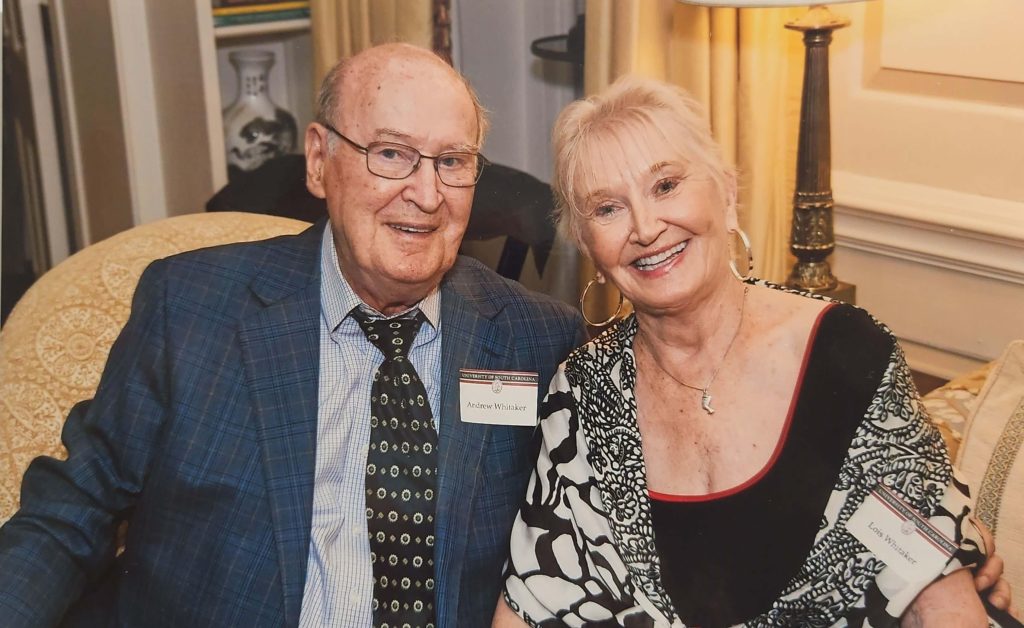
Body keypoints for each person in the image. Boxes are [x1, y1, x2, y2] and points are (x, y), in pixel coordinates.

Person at [0, 43, 586, 627]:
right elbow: (71, 512)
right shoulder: (191, 309)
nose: (427, 195)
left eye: (452, 162)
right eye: (390, 153)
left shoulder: (536, 340)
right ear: (317, 160)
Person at [494, 75, 1017, 627]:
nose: (646, 227)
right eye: (607, 209)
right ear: (590, 249)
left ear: (728, 193)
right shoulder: (584, 391)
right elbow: (531, 598)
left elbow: (940, 599)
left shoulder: (845, 355)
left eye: (666, 185)